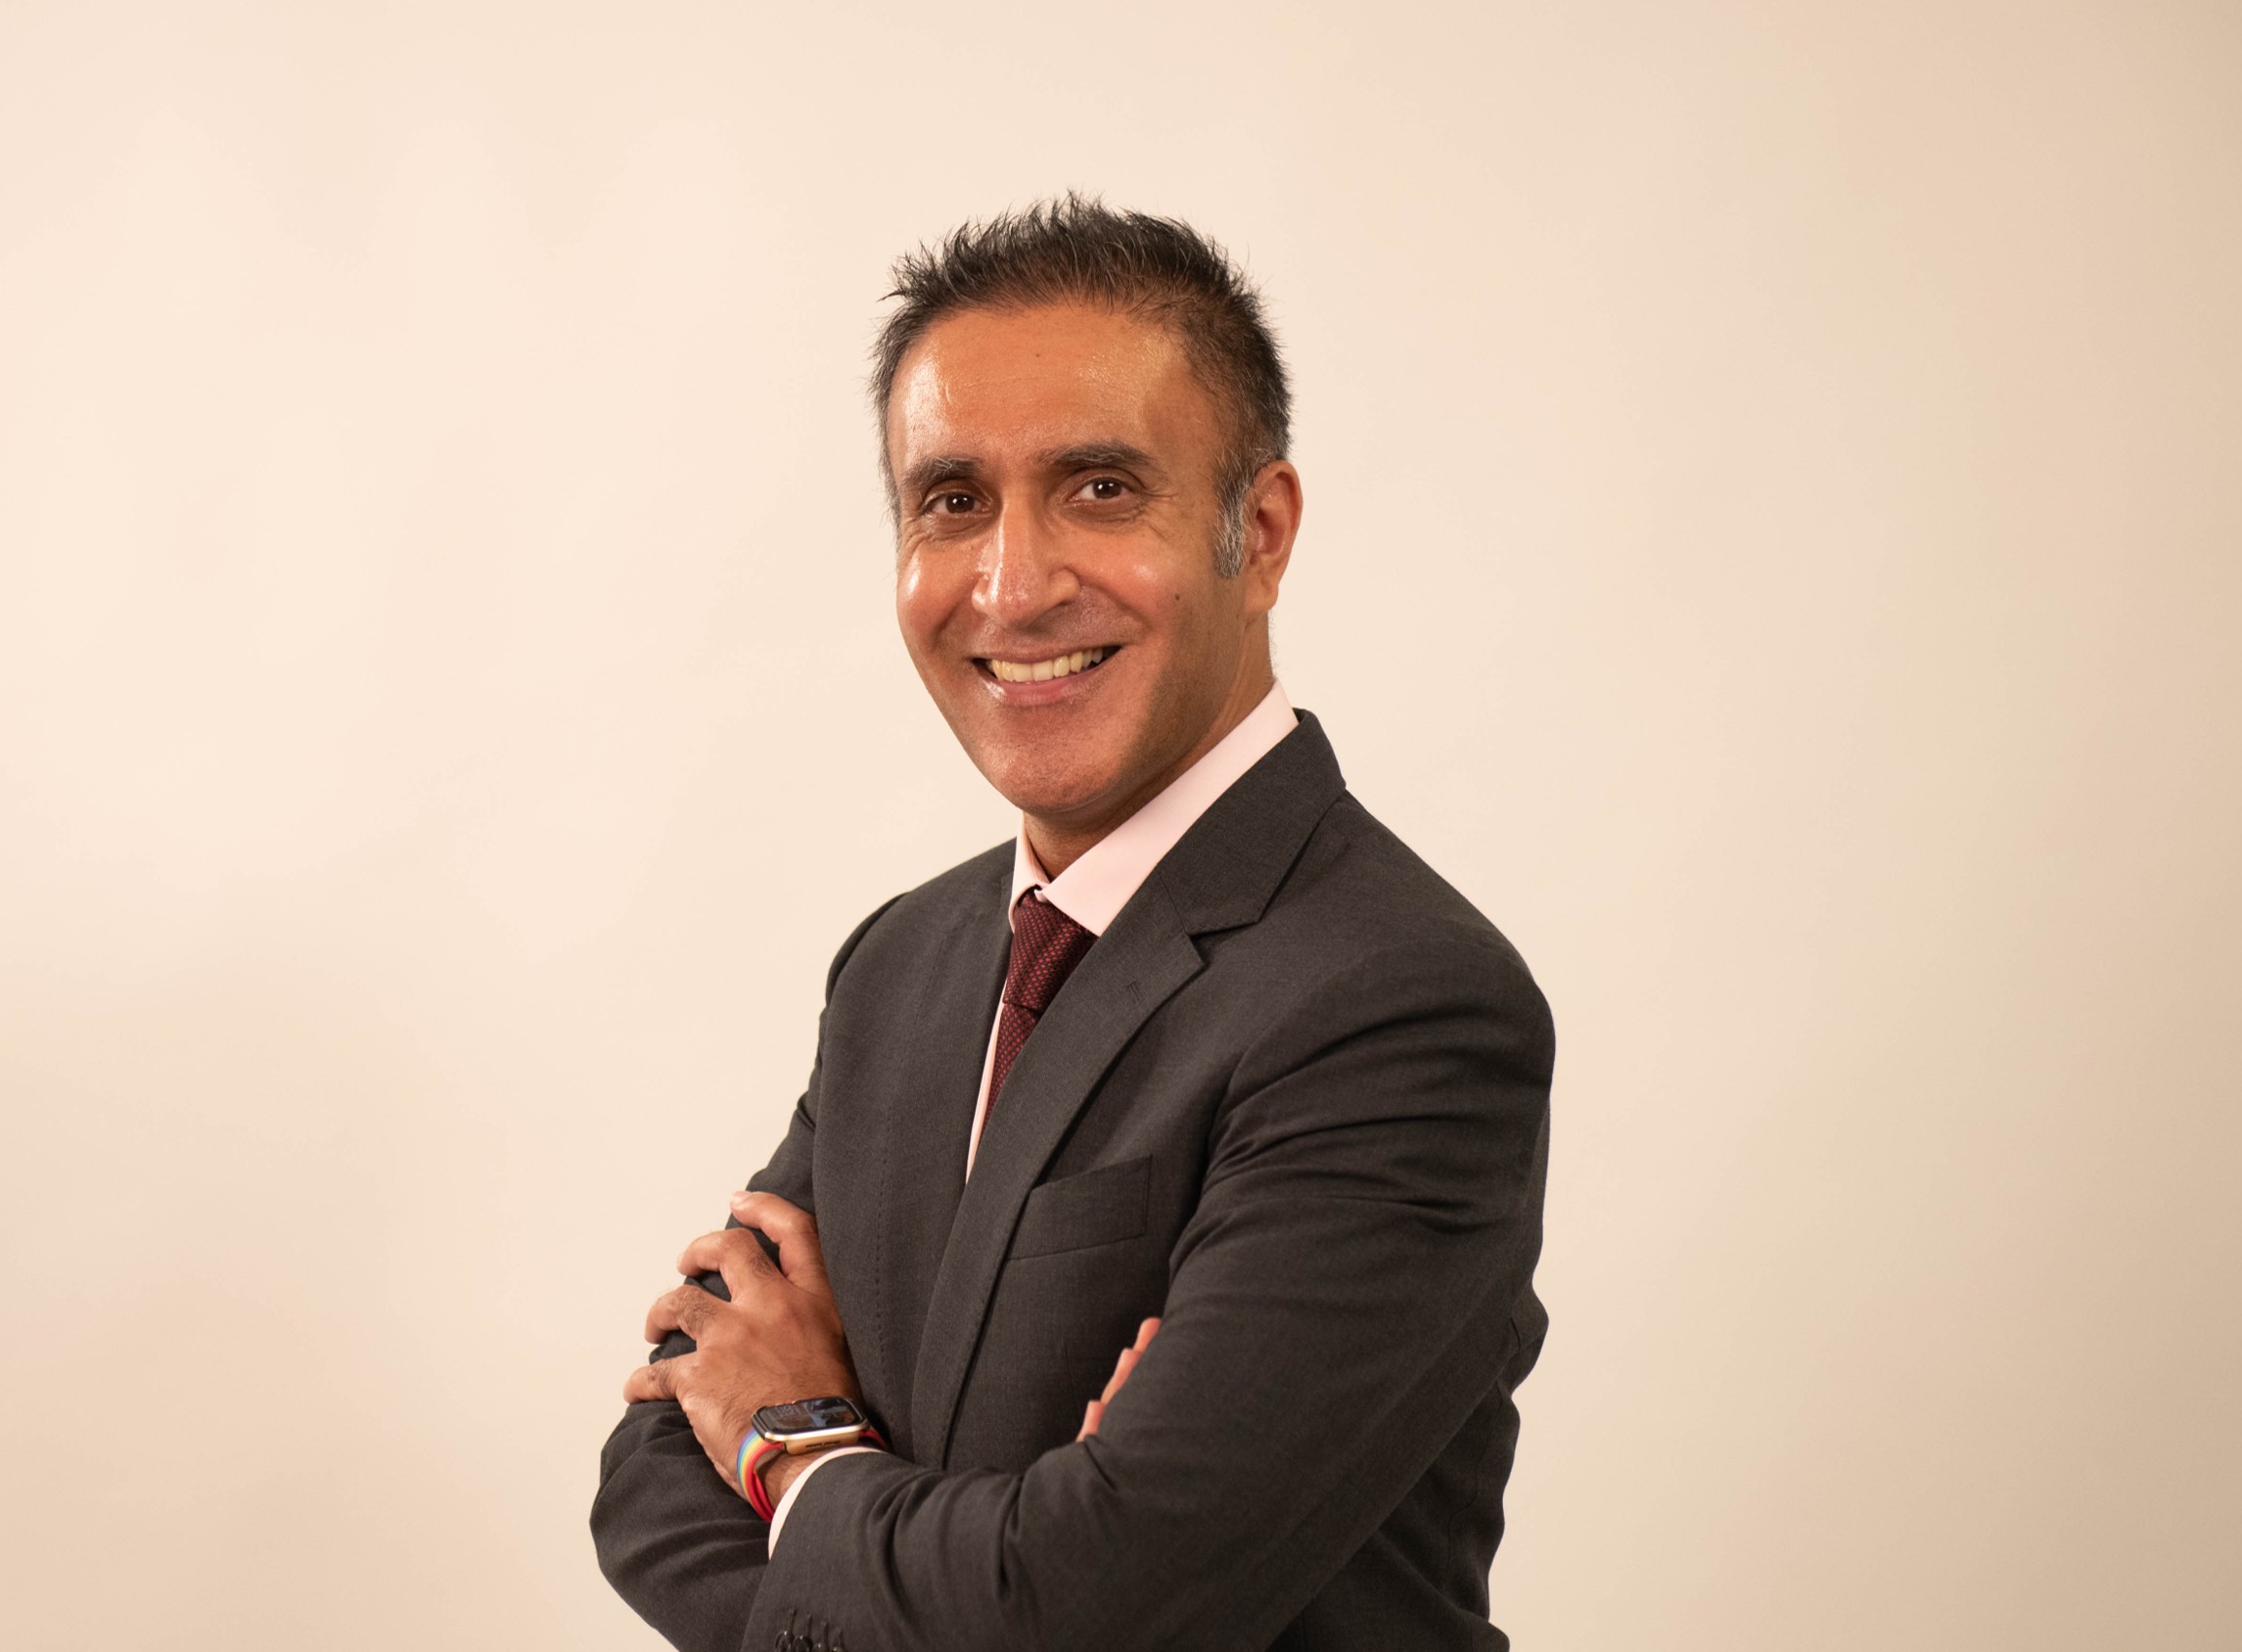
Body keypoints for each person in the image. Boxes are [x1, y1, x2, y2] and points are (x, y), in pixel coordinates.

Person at [591, 198, 1554, 1652]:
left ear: (1260, 535)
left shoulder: (1402, 1002)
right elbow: (652, 1487)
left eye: (1100, 488)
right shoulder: (899, 968)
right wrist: (995, 1562)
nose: (1013, 584)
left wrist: (794, 1446)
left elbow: (1087, 1608)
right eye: (952, 500)